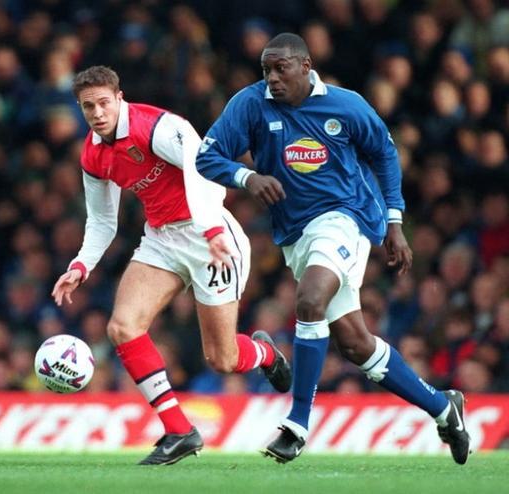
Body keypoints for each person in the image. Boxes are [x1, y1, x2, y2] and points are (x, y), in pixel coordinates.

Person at [195, 33, 470, 465]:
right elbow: (206, 158)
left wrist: (395, 222)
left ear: (306, 66)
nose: (272, 78)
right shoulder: (250, 104)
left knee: (310, 301)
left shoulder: (346, 105)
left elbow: (385, 154)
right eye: (266, 70)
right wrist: (248, 177)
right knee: (355, 344)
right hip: (295, 233)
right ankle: (443, 407)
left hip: (347, 218)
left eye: (280, 68)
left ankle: (297, 423)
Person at [51, 66, 291, 465]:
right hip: (162, 239)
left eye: (104, 103)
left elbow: (205, 169)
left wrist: (212, 228)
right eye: (88, 106)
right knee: (122, 326)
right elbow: (102, 220)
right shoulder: (92, 153)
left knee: (223, 359)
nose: (97, 113)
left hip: (208, 237)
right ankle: (179, 430)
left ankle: (265, 354)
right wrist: (80, 265)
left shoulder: (157, 127)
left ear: (120, 98)